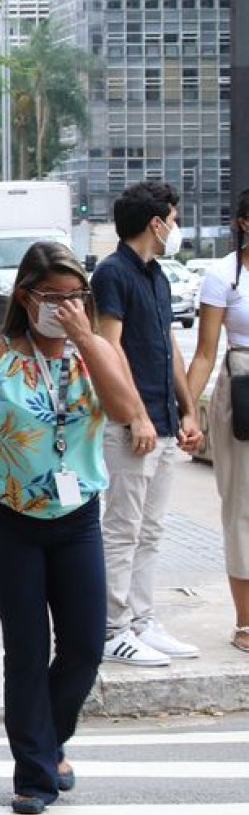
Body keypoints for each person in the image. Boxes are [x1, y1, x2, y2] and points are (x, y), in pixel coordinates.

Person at [0, 241, 142, 815]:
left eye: (75, 296)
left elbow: (125, 410)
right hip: (4, 514)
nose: (63, 306)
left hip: (77, 516)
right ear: (24, 296)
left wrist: (87, 337)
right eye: (52, 297)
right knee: (27, 643)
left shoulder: (96, 351)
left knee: (86, 646)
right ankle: (35, 774)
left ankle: (48, 738)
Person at [90, 181, 203, 667]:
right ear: (155, 223)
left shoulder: (157, 275)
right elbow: (107, 348)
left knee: (151, 529)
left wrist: (189, 409)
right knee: (122, 528)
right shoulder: (112, 274)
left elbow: (169, 345)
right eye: (172, 220)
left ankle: (141, 619)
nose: (175, 228)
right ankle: (112, 628)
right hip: (130, 426)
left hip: (163, 421)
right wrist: (134, 415)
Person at [181, 188, 249, 656]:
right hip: (242, 390)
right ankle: (246, 620)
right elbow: (205, 353)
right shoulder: (224, 275)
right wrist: (187, 410)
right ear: (245, 222)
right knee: (241, 506)